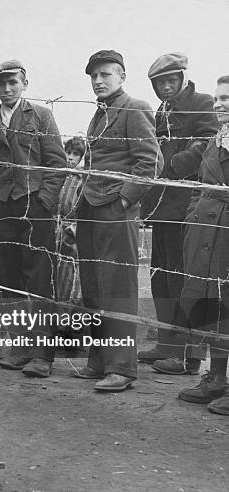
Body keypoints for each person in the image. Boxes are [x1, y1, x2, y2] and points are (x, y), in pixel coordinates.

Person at [74, 50, 162, 391]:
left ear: (122, 77)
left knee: (119, 288)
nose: (98, 81)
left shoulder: (135, 107)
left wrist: (124, 199)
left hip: (115, 209)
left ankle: (122, 368)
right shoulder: (100, 114)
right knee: (93, 285)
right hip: (90, 209)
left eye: (106, 74)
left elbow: (151, 164)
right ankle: (99, 360)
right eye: (94, 76)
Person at [0, 60, 67, 377]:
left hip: (35, 207)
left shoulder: (41, 115)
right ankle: (20, 347)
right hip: (1, 209)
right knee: (10, 278)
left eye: (12, 83)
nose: (6, 89)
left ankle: (42, 355)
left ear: (24, 84)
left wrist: (45, 200)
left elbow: (56, 162)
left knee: (39, 278)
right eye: (0, 85)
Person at [137, 53, 218, 375]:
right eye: (160, 83)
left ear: (183, 78)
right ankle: (168, 345)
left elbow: (208, 144)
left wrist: (171, 165)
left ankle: (190, 357)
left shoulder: (202, 102)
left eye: (172, 80)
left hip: (188, 204)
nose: (166, 87)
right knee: (162, 277)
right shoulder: (162, 109)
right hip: (163, 205)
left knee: (188, 280)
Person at [176, 75, 229, 415]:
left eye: (227, 98)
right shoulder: (216, 140)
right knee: (215, 307)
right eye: (217, 99)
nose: (219, 104)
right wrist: (193, 215)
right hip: (206, 233)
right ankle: (217, 379)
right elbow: (200, 185)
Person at [56, 137, 86, 305]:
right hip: (57, 229)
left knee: (73, 274)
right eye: (68, 153)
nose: (70, 158)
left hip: (73, 231)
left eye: (75, 154)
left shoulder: (82, 178)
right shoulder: (60, 175)